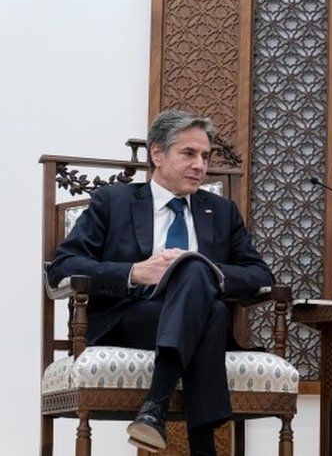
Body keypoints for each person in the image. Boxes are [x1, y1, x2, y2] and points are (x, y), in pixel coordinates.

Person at [47, 110, 274, 455]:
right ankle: (202, 444)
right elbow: (62, 267)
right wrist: (133, 272)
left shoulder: (221, 211)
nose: (200, 165)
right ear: (157, 154)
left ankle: (155, 407)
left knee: (199, 280)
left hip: (195, 318)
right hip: (130, 319)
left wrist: (204, 271)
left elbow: (260, 274)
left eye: (205, 155)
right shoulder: (114, 201)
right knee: (210, 311)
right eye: (189, 153)